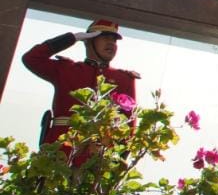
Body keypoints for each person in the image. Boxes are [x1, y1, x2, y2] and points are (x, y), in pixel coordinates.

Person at [22, 19, 139, 164]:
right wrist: (72, 38)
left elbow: (128, 125)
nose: (111, 43)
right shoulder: (66, 69)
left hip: (97, 160)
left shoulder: (124, 78)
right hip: (59, 152)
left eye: (114, 40)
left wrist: (116, 161)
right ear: (88, 41)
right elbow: (31, 58)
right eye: (104, 37)